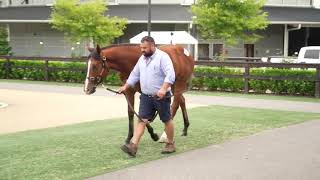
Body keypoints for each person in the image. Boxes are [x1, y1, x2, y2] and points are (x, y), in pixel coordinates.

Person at [118, 36, 176, 157]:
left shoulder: (163, 57)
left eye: (145, 48)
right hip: (146, 96)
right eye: (141, 48)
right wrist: (125, 87)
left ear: (152, 46)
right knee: (141, 120)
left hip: (161, 97)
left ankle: (170, 143)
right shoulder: (142, 59)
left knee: (166, 120)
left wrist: (164, 89)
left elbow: (170, 74)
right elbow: (134, 74)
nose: (142, 50)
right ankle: (133, 145)